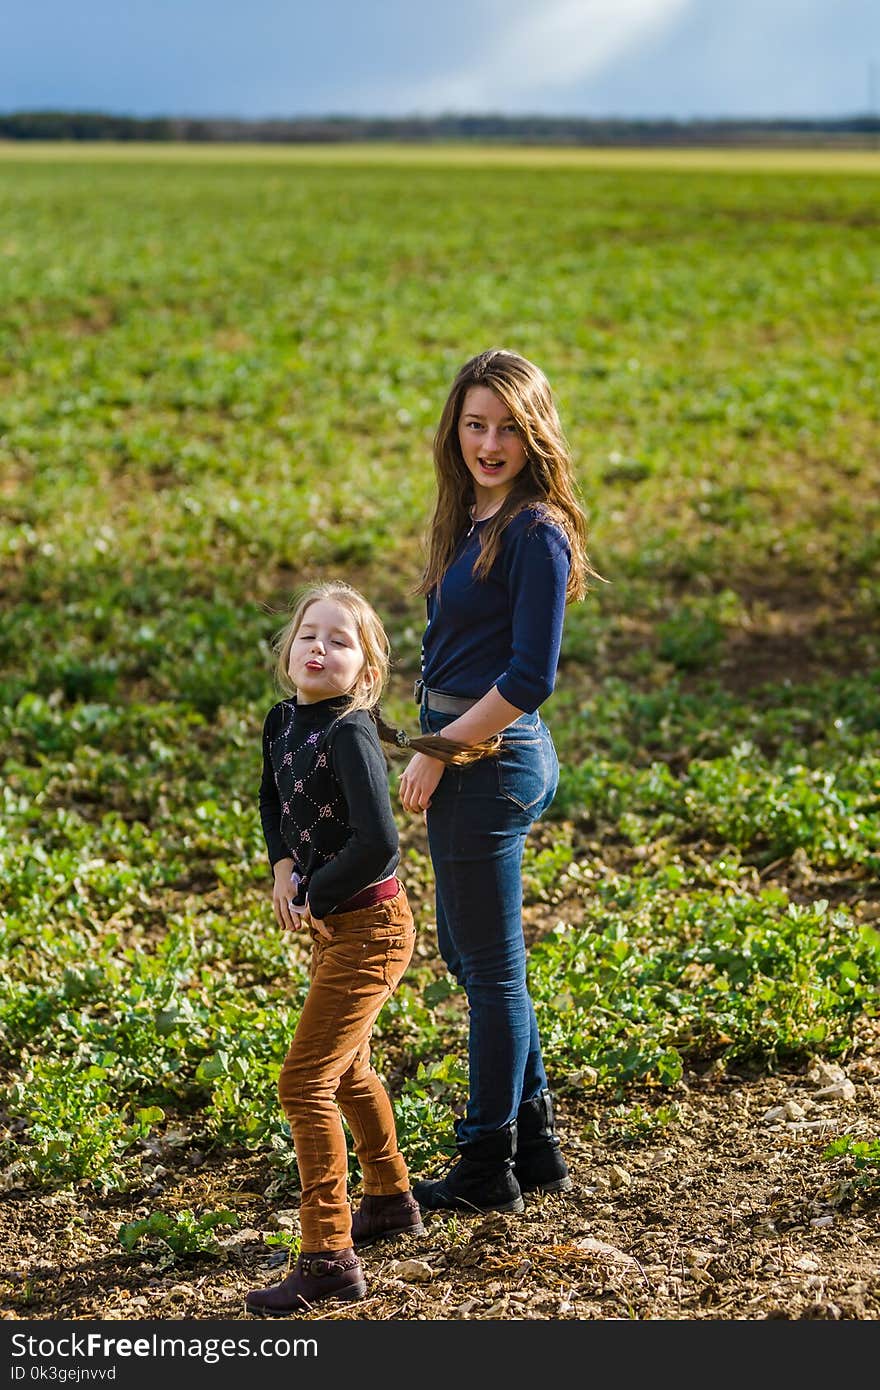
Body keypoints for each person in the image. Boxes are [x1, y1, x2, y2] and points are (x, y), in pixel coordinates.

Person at [246, 580, 498, 1315]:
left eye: (339, 640)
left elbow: (379, 842)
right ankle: (389, 1200)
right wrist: (283, 867)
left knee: (304, 1083)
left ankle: (327, 1256)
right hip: (332, 922)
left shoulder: (349, 730)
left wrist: (316, 891)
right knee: (347, 1070)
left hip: (372, 929)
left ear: (367, 672)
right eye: (308, 635)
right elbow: (274, 800)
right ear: (288, 649)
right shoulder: (283, 721)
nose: (319, 648)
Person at [398, 348, 600, 1216]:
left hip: (492, 759)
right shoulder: (474, 517)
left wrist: (437, 746)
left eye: (509, 427)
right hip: (469, 757)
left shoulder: (536, 531)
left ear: (536, 430)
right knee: (479, 960)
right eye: (475, 425)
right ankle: (536, 1141)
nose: (490, 442)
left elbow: (529, 678)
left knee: (488, 969)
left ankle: (487, 1164)